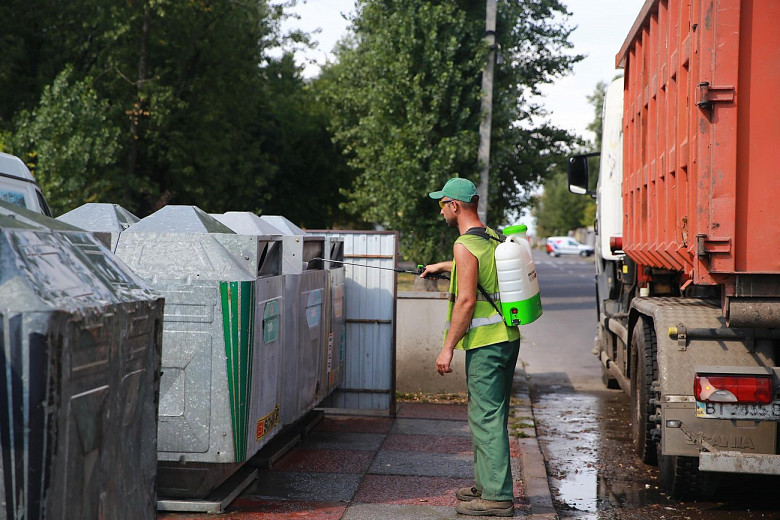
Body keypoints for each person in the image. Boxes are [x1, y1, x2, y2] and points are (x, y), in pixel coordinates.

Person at [420, 177, 520, 518]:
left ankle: (496, 497)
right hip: (507, 339)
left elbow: (466, 300)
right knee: (491, 415)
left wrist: (447, 348)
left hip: (486, 345)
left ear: (455, 206)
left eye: (442, 204)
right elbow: (478, 271)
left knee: (485, 417)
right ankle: (485, 484)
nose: (441, 211)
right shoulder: (490, 236)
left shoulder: (464, 244)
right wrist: (440, 267)